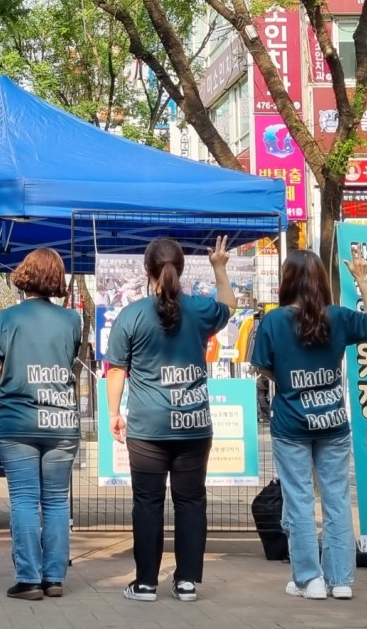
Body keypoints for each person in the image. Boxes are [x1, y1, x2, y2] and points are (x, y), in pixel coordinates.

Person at [106, 236, 235, 603]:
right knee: (190, 501)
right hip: (194, 427)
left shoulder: (131, 315)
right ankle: (187, 582)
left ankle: (146, 583)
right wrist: (219, 268)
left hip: (148, 429)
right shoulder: (199, 309)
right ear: (180, 267)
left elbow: (116, 370)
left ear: (147, 270)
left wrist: (114, 413)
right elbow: (230, 304)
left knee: (147, 503)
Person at [250, 247, 367, 601]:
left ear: (286, 281)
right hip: (333, 423)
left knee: (299, 501)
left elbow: (262, 365)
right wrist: (361, 279)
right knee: (337, 500)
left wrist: (286, 381)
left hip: (291, 423)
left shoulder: (273, 321)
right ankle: (341, 580)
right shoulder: (338, 317)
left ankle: (310, 580)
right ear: (321, 280)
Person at [0, 247, 81, 601]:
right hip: (61, 421)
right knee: (56, 501)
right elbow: (68, 359)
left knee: (25, 500)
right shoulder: (72, 320)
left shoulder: (5, 319)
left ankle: (28, 579)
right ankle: (54, 578)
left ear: (24, 275)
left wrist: (1, 370)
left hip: (18, 421)